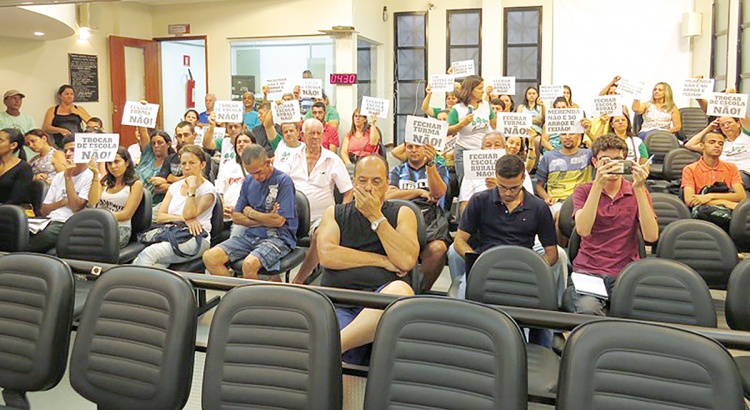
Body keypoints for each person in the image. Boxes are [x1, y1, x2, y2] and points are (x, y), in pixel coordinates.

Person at [317, 155, 419, 365]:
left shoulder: (402, 213)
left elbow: (406, 261)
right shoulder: (334, 213)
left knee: (401, 290)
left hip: (381, 300)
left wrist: (376, 217)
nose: (369, 188)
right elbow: (327, 255)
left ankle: (332, 347)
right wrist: (382, 260)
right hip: (341, 302)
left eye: (376, 181)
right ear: (354, 183)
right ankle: (337, 349)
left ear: (386, 185)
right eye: (362, 181)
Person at [450, 155, 559, 345]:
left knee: (533, 311)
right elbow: (459, 241)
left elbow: (552, 253)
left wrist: (534, 269)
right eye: (502, 187)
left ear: (523, 179)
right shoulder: (479, 200)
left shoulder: (538, 207)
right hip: (486, 265)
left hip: (522, 268)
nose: (507, 193)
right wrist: (476, 261)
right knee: (465, 301)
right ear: (496, 178)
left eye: (513, 188)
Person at [569, 135, 658, 315]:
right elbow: (583, 229)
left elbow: (651, 237)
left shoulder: (637, 191)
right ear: (595, 162)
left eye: (617, 160)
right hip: (589, 270)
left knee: (642, 312)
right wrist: (598, 185)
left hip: (625, 271)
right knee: (588, 310)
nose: (611, 165)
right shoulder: (583, 190)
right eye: (605, 161)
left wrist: (639, 188)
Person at [275, 119, 353, 284]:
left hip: (321, 217)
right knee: (267, 230)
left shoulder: (333, 160)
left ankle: (299, 280)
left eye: (319, 133)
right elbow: (280, 186)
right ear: (303, 135)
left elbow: (348, 192)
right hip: (291, 214)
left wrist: (342, 216)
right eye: (312, 133)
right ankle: (274, 280)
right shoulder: (291, 158)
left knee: (320, 234)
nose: (316, 137)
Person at [202, 144, 297, 280]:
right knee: (210, 257)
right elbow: (236, 217)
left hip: (278, 237)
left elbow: (279, 221)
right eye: (251, 173)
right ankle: (238, 295)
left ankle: (253, 300)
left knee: (249, 264)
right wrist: (266, 219)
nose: (256, 177)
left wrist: (251, 213)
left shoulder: (283, 181)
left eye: (258, 172)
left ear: (268, 162)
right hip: (250, 236)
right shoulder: (248, 181)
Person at [134, 145, 217, 267]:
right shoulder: (174, 186)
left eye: (192, 163)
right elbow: (161, 217)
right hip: (172, 232)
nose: (187, 167)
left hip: (196, 237)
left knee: (149, 254)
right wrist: (184, 219)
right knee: (149, 264)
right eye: (183, 164)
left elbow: (189, 213)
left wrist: (192, 189)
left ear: (202, 165)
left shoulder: (208, 190)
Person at [386, 142, 450, 291]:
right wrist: (418, 192)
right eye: (410, 147)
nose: (414, 150)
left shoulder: (439, 168)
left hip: (429, 222)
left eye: (418, 146)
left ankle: (419, 291)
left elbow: (438, 193)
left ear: (425, 148)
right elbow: (388, 195)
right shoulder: (397, 170)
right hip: (400, 221)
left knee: (438, 249)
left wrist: (430, 164)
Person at [28, 135, 94, 253]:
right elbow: (44, 210)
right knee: (18, 229)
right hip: (49, 220)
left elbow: (75, 207)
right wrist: (63, 202)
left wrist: (68, 177)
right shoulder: (59, 176)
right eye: (66, 151)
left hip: (69, 222)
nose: (68, 153)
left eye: (73, 150)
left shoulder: (90, 176)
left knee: (34, 242)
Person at [682, 131, 746, 230]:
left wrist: (709, 196)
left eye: (720, 143)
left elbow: (741, 196)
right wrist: (726, 202)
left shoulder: (731, 168)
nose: (717, 146)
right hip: (703, 214)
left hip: (728, 212)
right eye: (712, 142)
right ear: (702, 146)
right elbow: (690, 200)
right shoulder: (690, 169)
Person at [457, 132, 533, 214]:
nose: (492, 149)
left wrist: (500, 188)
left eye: (497, 145)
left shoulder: (519, 169)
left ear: (504, 148)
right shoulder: (471, 171)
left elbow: (529, 201)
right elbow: (464, 205)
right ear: (482, 149)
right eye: (488, 145)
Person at [87, 147, 144, 248]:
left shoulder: (136, 184)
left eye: (117, 162)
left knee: (91, 244)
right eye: (109, 163)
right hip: (99, 225)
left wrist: (101, 217)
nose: (113, 166)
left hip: (119, 228)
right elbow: (93, 202)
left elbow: (126, 214)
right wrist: (95, 175)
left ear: (126, 163)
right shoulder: (104, 181)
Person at [448, 75, 497, 181]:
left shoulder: (486, 105)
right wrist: (462, 124)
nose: (483, 91)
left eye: (483, 88)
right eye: (479, 88)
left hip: (483, 152)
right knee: (465, 184)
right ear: (470, 90)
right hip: (464, 151)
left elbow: (495, 126)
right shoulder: (457, 109)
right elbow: (447, 131)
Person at [535, 133, 594, 217]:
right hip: (557, 202)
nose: (567, 137)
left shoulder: (588, 154)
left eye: (572, 134)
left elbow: (603, 146)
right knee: (560, 216)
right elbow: (539, 186)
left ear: (579, 136)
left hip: (583, 200)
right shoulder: (548, 156)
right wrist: (546, 197)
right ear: (559, 137)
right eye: (563, 134)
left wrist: (589, 132)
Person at [685, 115, 750, 189]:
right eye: (722, 125)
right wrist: (708, 128)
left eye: (729, 123)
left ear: (738, 123)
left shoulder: (747, 137)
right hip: (722, 175)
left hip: (744, 174)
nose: (726, 126)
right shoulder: (719, 144)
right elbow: (689, 145)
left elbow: (745, 116)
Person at [154, 121, 212, 191]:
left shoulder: (204, 157)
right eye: (179, 136)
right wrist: (180, 180)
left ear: (194, 135)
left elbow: (197, 182)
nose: (183, 139)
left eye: (186, 135)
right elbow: (158, 184)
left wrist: (172, 179)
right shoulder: (170, 158)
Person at [215, 131, 255, 221]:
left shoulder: (261, 166)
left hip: (251, 216)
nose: (241, 144)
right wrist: (223, 207)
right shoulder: (227, 166)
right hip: (228, 217)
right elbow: (219, 192)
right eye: (239, 142)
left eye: (245, 141)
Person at [135, 127, 173, 208]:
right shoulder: (148, 155)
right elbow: (143, 132)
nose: (156, 146)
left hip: (155, 206)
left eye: (160, 143)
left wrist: (167, 184)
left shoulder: (173, 162)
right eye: (153, 143)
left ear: (168, 144)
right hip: (133, 198)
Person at [0, 128, 33, 205]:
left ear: (13, 145)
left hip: (8, 212)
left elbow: (16, 199)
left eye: (0, 140)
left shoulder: (24, 168)